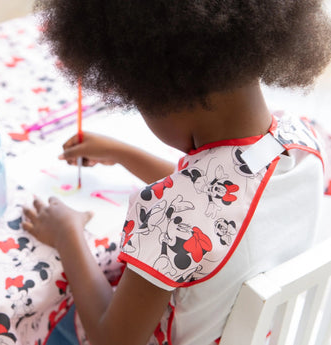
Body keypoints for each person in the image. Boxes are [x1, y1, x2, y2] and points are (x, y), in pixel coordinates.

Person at [22, 1, 331, 344]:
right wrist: (122, 153)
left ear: (167, 95)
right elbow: (220, 197)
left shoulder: (168, 219)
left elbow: (113, 339)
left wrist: (67, 232)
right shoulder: (303, 142)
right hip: (261, 334)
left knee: (45, 315)